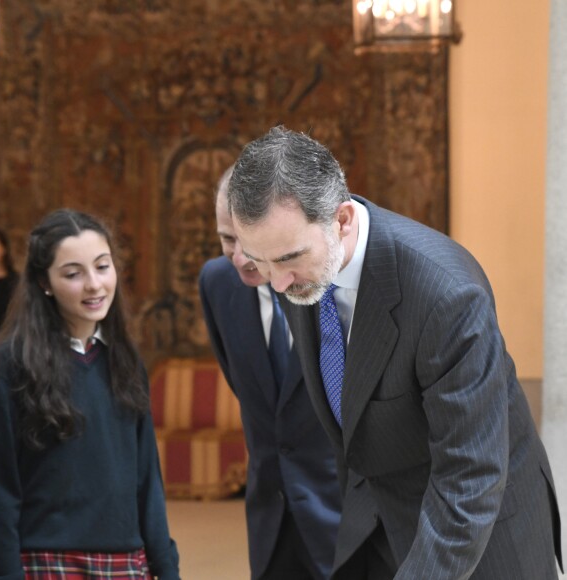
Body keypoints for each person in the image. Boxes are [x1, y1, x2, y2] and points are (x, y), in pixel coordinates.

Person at [227, 126, 563, 579]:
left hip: (483, 537)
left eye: (288, 259)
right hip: (377, 519)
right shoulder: (299, 268)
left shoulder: (446, 295)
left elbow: (470, 477)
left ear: (342, 219)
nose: (278, 283)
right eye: (259, 262)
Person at [0, 209, 180, 580]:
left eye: (102, 266)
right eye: (73, 274)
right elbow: (0, 491)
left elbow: (147, 481)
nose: (94, 284)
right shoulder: (9, 366)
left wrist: (167, 569)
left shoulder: (126, 362)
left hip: (127, 561)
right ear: (44, 282)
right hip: (45, 562)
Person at [198, 165, 341, 579]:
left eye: (249, 242)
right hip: (270, 522)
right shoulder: (217, 284)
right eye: (227, 239)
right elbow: (253, 396)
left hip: (343, 515)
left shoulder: (333, 285)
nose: (240, 258)